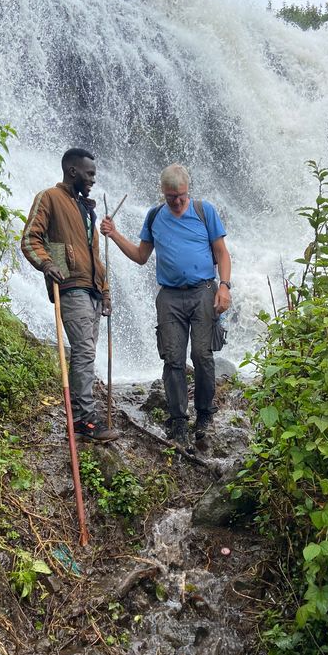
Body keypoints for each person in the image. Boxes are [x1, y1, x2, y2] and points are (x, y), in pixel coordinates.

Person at [100, 163, 231, 449]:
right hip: (170, 296)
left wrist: (224, 286)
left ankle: (205, 414)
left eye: (181, 195)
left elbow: (222, 252)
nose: (178, 201)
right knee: (172, 358)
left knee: (202, 355)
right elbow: (140, 256)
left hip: (203, 291)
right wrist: (114, 233)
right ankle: (178, 421)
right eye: (172, 196)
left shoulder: (203, 211)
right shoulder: (155, 216)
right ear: (163, 192)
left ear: (188, 190)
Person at [21, 148, 118, 442]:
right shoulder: (50, 197)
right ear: (72, 171)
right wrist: (48, 264)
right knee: (85, 351)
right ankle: (83, 420)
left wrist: (105, 291)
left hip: (92, 291)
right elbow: (30, 238)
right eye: (90, 174)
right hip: (70, 287)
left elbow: (95, 255)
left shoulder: (86, 208)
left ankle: (83, 416)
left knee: (86, 354)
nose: (93, 180)